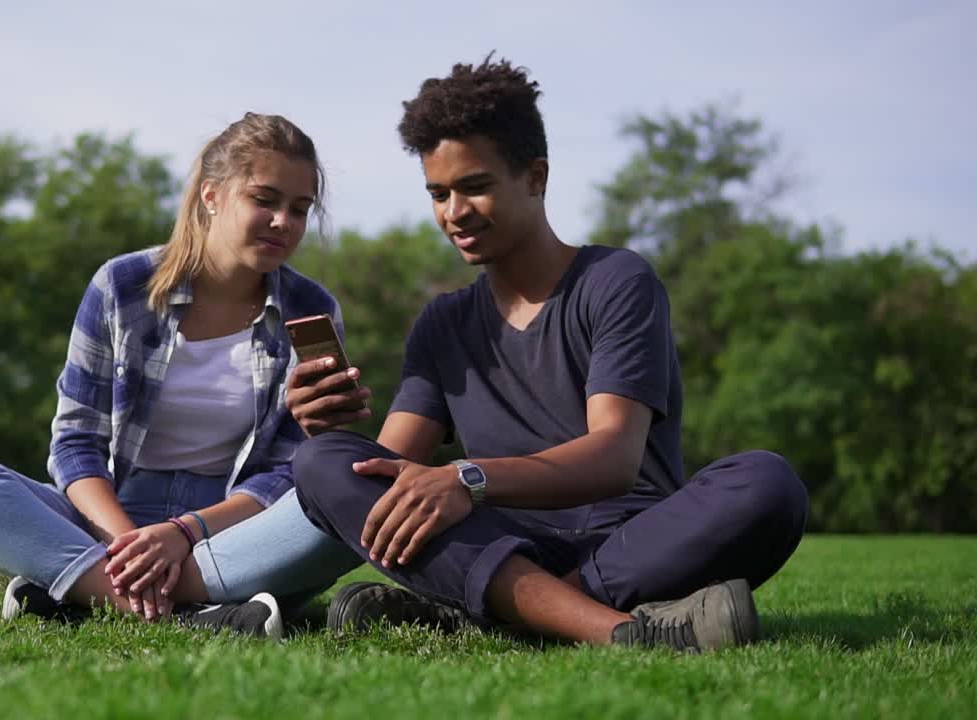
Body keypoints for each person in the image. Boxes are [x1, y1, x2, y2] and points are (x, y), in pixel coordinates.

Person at [285, 57, 809, 652]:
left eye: (475, 186)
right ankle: (623, 630)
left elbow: (612, 459)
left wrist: (468, 477)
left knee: (768, 483)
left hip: (629, 539)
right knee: (323, 463)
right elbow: (392, 473)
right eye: (438, 193)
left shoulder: (617, 280)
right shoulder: (442, 322)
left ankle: (498, 611)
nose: (454, 212)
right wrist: (320, 426)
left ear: (535, 177)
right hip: (502, 543)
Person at [0, 113, 361, 639]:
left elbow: (285, 470)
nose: (283, 222)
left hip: (234, 526)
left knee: (356, 503)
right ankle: (194, 609)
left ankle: (81, 591)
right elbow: (76, 442)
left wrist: (182, 534)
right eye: (264, 200)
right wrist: (132, 544)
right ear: (212, 195)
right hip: (111, 514)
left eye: (299, 209)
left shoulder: (311, 308)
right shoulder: (122, 285)